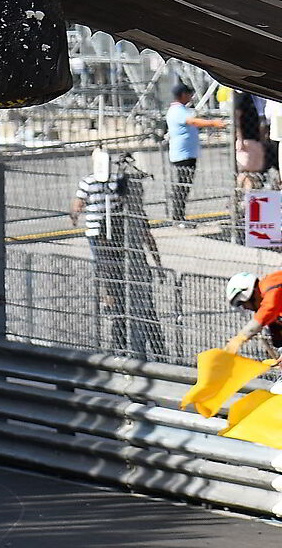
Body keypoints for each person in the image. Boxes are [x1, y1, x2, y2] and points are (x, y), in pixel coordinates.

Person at [73, 149, 164, 358]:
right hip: (132, 272)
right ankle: (154, 353)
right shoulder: (125, 219)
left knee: (129, 313)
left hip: (125, 269)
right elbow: (148, 239)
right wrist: (158, 266)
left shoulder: (118, 221)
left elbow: (146, 238)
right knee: (143, 313)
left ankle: (127, 351)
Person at [163, 83, 223, 221]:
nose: (190, 96)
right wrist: (213, 123)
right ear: (183, 95)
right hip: (183, 155)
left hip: (186, 153)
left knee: (184, 185)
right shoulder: (178, 110)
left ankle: (179, 215)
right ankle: (178, 217)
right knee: (183, 186)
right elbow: (193, 121)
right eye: (188, 93)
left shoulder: (181, 109)